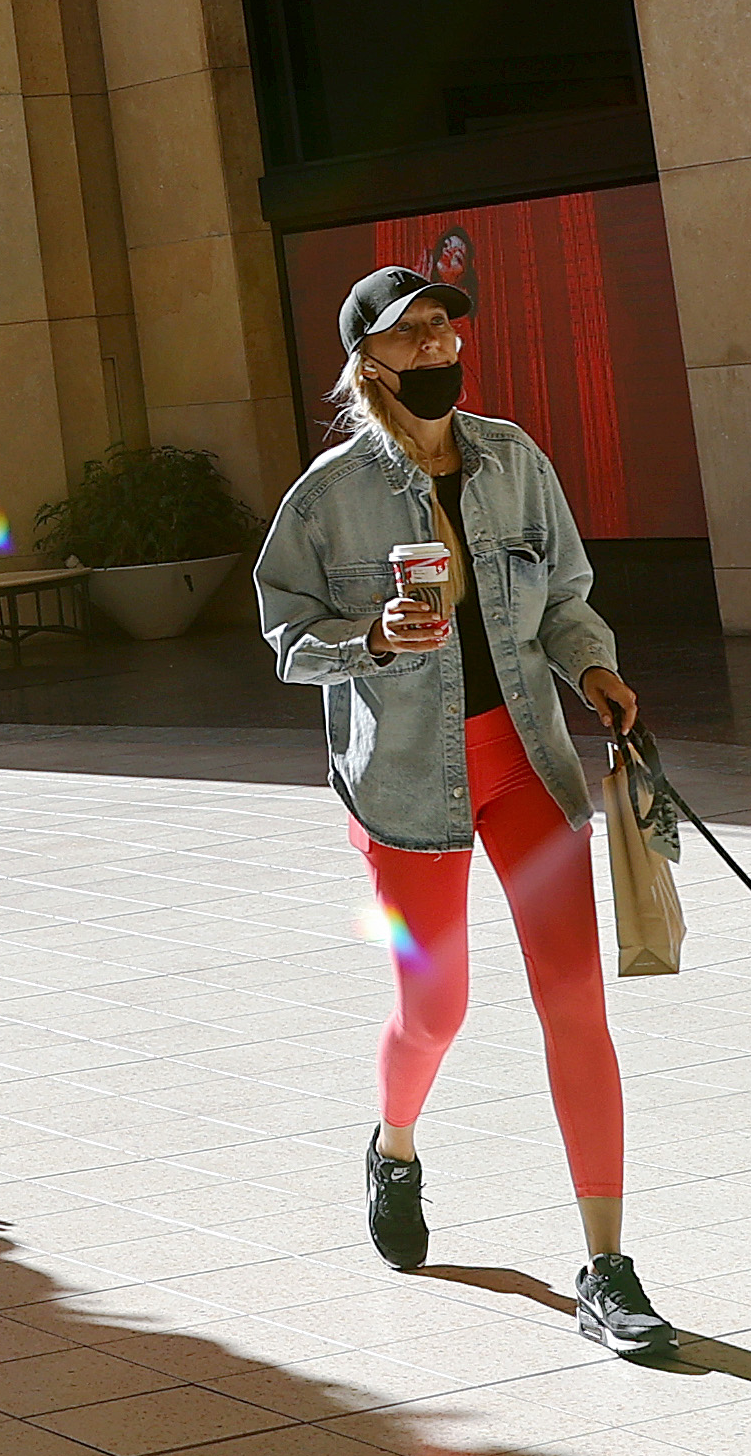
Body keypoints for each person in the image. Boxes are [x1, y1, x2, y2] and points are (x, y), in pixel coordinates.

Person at [256, 266, 674, 1365]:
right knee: (437, 1011)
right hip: (401, 784)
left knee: (576, 1002)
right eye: (415, 331)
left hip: (531, 767)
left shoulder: (515, 458)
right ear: (369, 362)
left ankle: (607, 1263)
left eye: (448, 325)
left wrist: (595, 672)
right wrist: (373, 641)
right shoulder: (326, 495)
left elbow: (570, 599)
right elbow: (286, 638)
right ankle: (394, 1146)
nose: (441, 343)